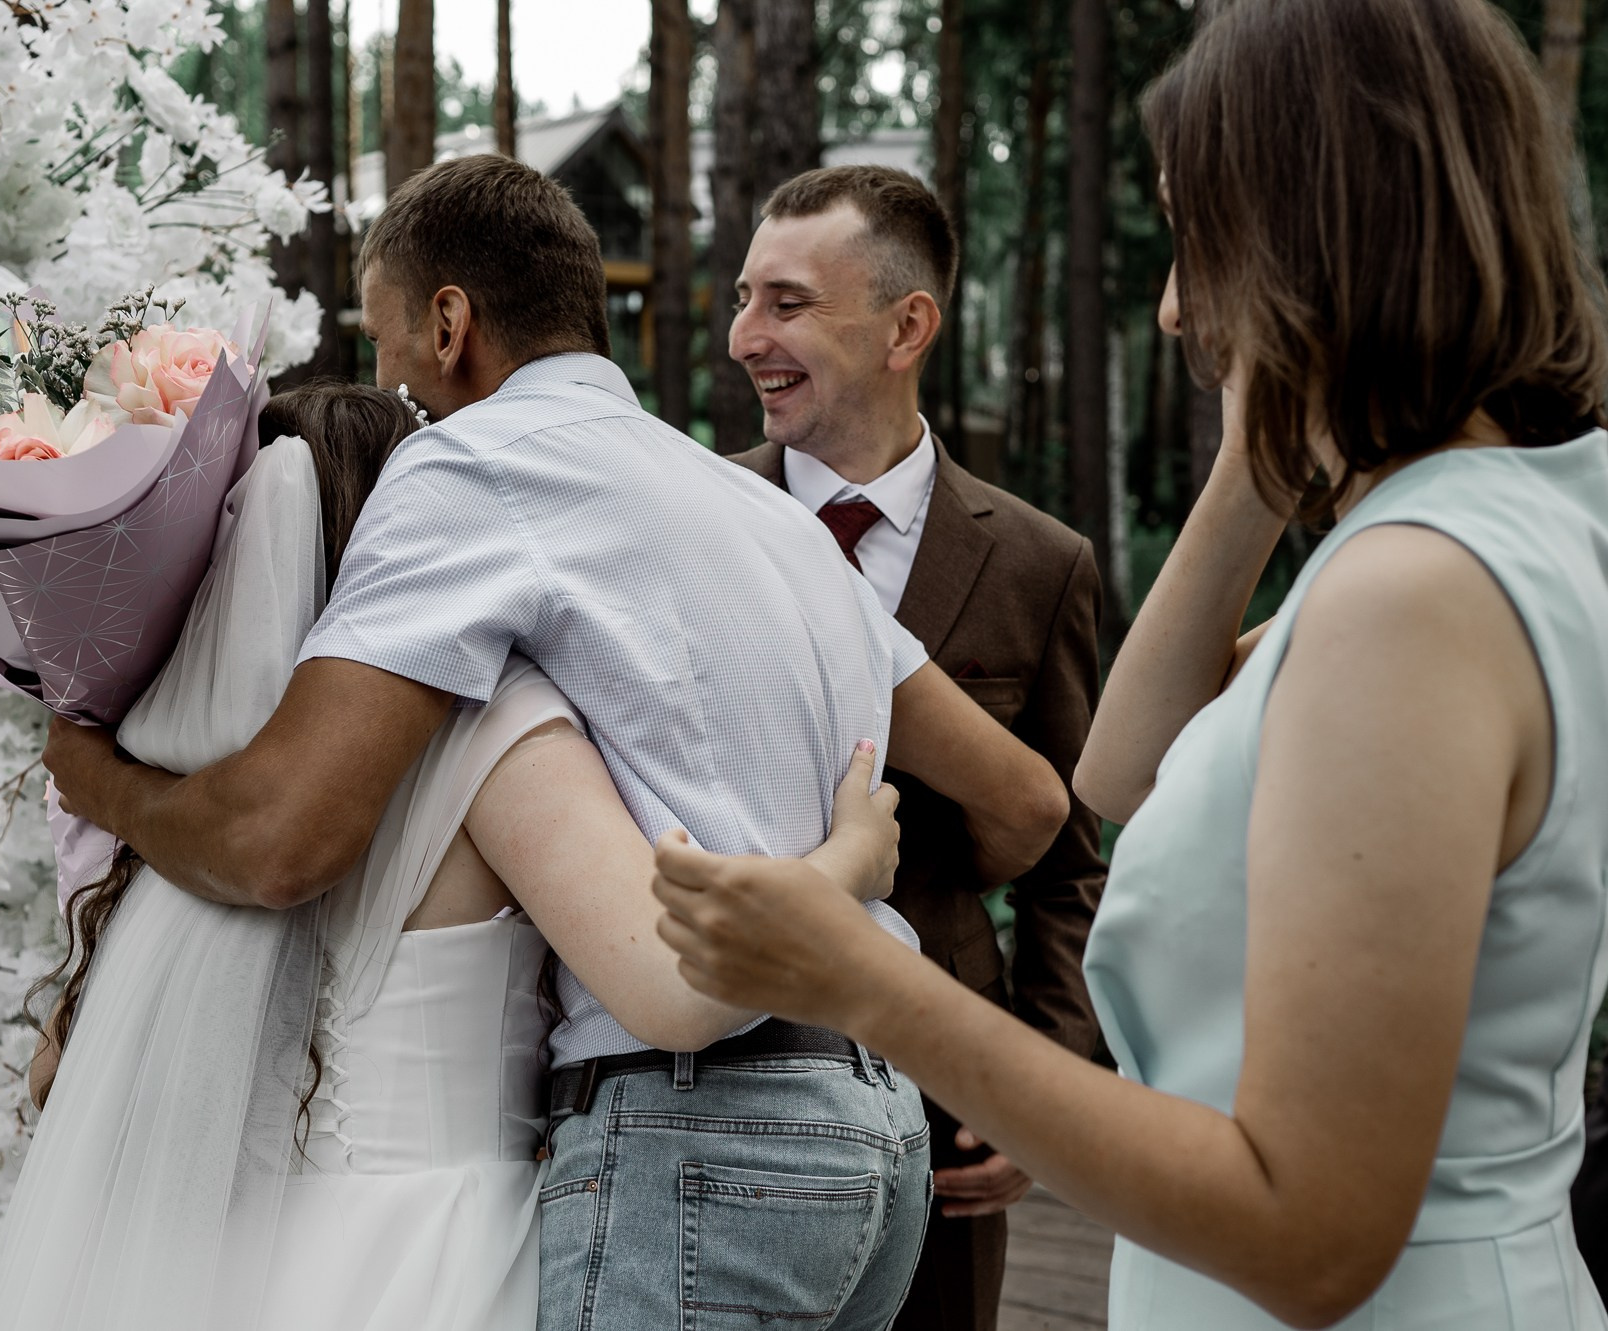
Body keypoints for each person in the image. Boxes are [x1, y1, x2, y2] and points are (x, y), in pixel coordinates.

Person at [651, 0, 1608, 1327]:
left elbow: (1306, 1234)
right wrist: (1263, 440)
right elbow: (1129, 765)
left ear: (1309, 238)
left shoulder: (1410, 596)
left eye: (1196, 241)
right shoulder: (1515, 520)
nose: (1172, 309)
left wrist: (860, 974)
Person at [42, 155, 1070, 1330]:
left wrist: (102, 782)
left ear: (448, 323)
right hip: (879, 1120)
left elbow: (283, 838)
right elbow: (1028, 803)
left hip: (698, 1134)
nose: (394, 392)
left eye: (387, 348)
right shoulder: (763, 515)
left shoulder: (471, 464)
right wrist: (854, 860)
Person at [0, 381, 908, 1331]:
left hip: (231, 1265)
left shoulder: (193, 782)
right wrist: (852, 862)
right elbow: (682, 990)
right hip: (436, 1261)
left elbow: (61, 1081)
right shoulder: (492, 732)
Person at [727, 163, 1106, 1331]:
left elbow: (1070, 857)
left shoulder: (1042, 565)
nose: (745, 337)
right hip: (718, 1067)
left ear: (907, 326)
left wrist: (1046, 1079)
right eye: (742, 297)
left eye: (785, 303)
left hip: (946, 1090)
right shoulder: (689, 519)